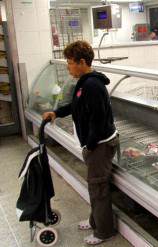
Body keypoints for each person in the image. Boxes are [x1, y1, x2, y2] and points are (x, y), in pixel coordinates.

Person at [43, 41, 118, 245]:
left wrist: (90, 144)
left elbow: (99, 119)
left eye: (70, 63)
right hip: (95, 145)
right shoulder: (84, 82)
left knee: (98, 188)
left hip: (100, 146)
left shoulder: (92, 85)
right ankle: (96, 221)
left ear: (82, 62)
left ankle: (104, 231)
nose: (68, 67)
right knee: (94, 186)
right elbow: (76, 107)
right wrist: (56, 113)